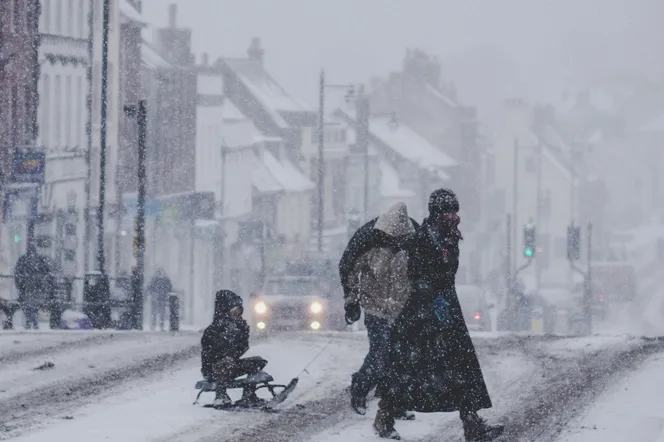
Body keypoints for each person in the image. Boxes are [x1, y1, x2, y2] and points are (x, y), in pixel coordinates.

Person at [374, 189, 504, 441]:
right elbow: (415, 275)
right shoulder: (421, 240)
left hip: (446, 312)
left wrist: (442, 302)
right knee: (407, 369)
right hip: (419, 314)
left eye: (454, 210)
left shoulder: (449, 239)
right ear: (436, 213)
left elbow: (446, 276)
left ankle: (472, 425)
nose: (453, 216)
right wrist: (431, 298)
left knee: (461, 370)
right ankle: (385, 417)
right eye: (447, 211)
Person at [339, 202, 419, 417]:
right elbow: (348, 269)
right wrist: (351, 300)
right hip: (375, 307)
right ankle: (360, 388)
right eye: (393, 239)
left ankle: (394, 404)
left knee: (402, 358)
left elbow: (424, 273)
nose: (396, 243)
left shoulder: (415, 240)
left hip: (402, 308)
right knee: (380, 355)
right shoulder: (367, 239)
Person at [201, 290, 266, 409]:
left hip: (230, 365)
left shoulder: (238, 326)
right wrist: (226, 356)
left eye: (239, 311)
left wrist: (243, 332)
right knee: (225, 363)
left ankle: (248, 394)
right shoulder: (214, 329)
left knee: (257, 362)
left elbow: (241, 349)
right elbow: (212, 353)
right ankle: (221, 395)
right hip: (213, 368)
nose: (237, 314)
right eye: (234, 311)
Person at [14, 244, 54, 330]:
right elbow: (48, 272)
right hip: (35, 288)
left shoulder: (24, 260)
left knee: (29, 307)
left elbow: (18, 272)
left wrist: (20, 285)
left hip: (28, 287)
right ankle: (33, 323)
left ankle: (30, 323)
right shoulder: (40, 260)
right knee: (33, 307)